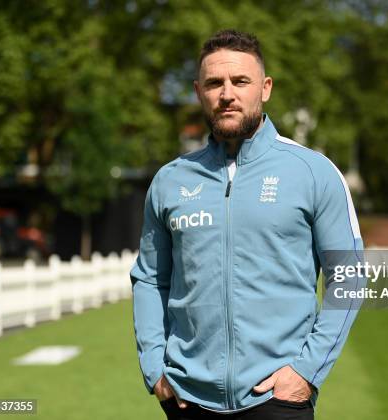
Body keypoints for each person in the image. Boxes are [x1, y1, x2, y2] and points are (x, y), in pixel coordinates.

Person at [130, 29, 364, 420]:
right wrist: (155, 368)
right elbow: (151, 278)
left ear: (265, 88)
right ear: (198, 91)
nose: (227, 94)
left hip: (277, 397)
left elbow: (349, 275)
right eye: (214, 83)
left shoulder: (314, 172)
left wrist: (306, 371)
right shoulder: (170, 180)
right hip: (187, 398)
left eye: (240, 81)